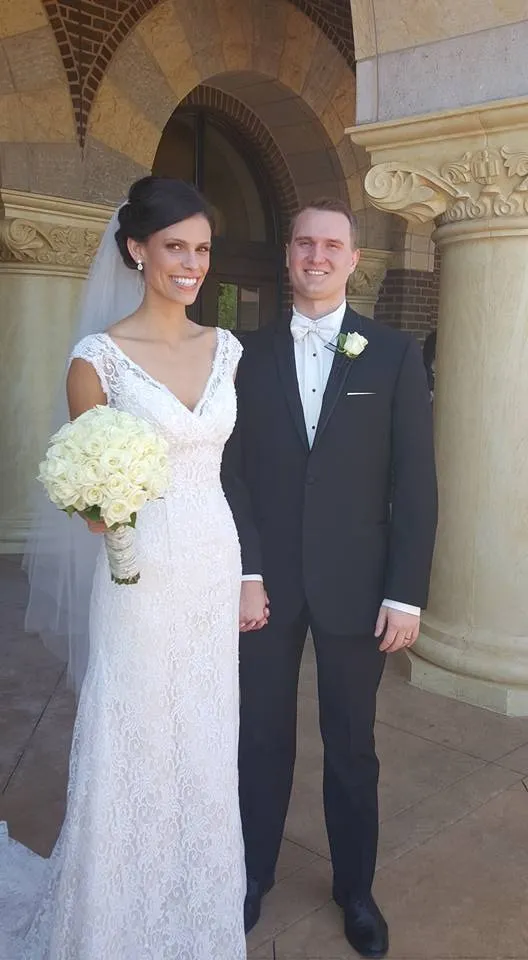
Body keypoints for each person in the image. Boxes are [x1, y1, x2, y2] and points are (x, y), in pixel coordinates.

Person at [0, 176, 249, 959]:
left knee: (206, 741)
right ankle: (112, 924)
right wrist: (107, 514)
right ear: (138, 250)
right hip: (137, 575)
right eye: (175, 246)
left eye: (202, 249)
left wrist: (251, 575)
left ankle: (195, 919)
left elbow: (232, 469)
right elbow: (82, 482)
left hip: (214, 561)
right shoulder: (97, 361)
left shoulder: (227, 348)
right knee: (136, 736)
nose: (192, 263)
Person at [222, 198, 438, 959]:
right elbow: (232, 473)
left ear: (354, 261)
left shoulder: (393, 354)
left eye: (332, 245)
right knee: (259, 739)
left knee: (353, 745)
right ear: (288, 255)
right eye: (305, 243)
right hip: (266, 587)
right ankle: (251, 875)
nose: (317, 256)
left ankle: (355, 890)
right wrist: (247, 571)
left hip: (359, 588)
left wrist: (405, 592)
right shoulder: (241, 357)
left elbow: (415, 483)